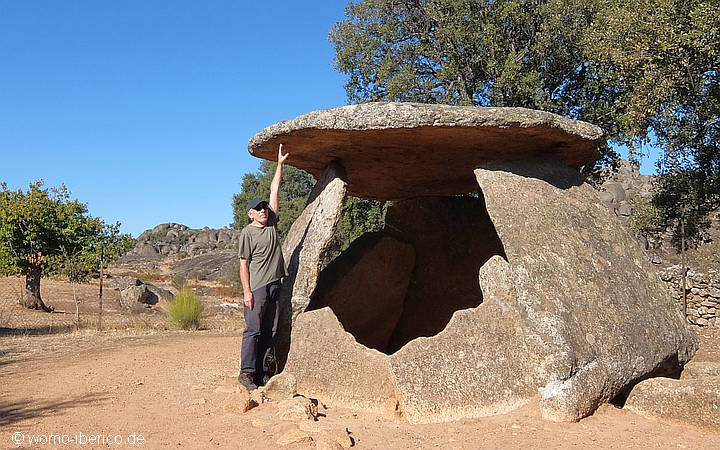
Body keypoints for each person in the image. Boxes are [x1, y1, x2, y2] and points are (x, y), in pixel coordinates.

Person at [237, 144, 289, 391]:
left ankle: (262, 373)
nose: (263, 210)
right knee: (254, 330)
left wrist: (279, 165)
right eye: (258, 209)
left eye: (264, 207)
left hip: (274, 286)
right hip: (257, 288)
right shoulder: (247, 234)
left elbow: (274, 190)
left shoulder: (272, 225)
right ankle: (246, 373)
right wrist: (247, 291)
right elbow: (243, 264)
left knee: (270, 330)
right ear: (250, 214)